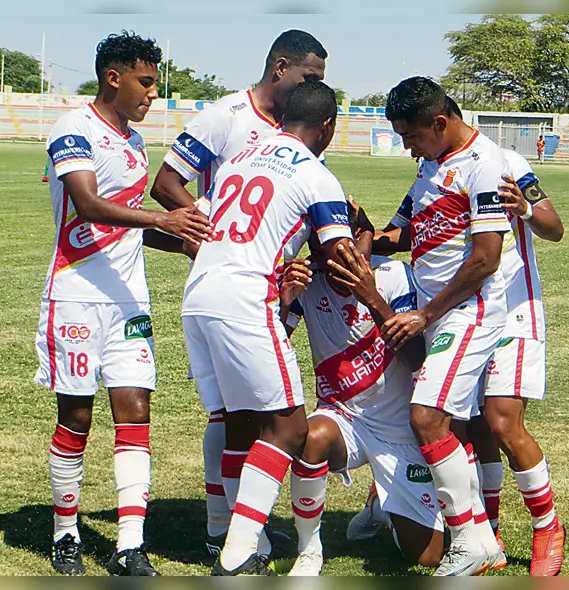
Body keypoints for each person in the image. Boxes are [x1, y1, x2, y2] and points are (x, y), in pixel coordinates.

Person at [35, 31, 211, 577]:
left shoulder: (135, 144)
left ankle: (129, 546)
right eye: (146, 81)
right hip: (76, 298)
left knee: (135, 414)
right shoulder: (74, 128)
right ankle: (66, 532)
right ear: (113, 77)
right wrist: (165, 218)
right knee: (78, 417)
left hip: (129, 300)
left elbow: (130, 230)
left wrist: (184, 243)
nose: (152, 94)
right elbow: (87, 205)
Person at [148, 30, 329, 557]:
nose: (315, 85)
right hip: (235, 286)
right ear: (281, 67)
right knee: (233, 415)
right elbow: (165, 183)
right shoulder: (226, 115)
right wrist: (216, 240)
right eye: (310, 76)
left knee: (254, 414)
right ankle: (220, 526)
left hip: (266, 284)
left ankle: (235, 529)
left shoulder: (291, 130)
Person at [181, 80, 353, 576]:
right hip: (244, 299)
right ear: (327, 126)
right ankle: (237, 555)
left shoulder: (240, 156)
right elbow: (338, 256)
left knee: (240, 422)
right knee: (288, 427)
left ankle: (237, 534)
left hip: (199, 294)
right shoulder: (317, 174)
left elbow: (202, 222)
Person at [377, 76, 522, 576]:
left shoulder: (485, 167)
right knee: (444, 425)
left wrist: (427, 312)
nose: (407, 146)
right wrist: (357, 233)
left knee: (427, 418)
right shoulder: (431, 168)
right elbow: (405, 234)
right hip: (439, 311)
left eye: (412, 136)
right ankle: (484, 541)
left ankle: (468, 542)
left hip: (468, 312)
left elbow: (485, 259)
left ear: (440, 122)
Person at [278, 217, 444, 576]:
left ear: (360, 239)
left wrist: (371, 298)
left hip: (400, 432)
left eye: (338, 250)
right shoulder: (308, 283)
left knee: (427, 556)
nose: (328, 262)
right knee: (312, 437)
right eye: (319, 251)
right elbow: (273, 346)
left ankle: (379, 506)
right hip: (344, 418)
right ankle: (309, 551)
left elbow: (416, 357)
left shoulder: (396, 276)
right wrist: (285, 304)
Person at [470, 149, 566, 576]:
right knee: (474, 424)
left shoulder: (508, 163)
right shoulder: (432, 168)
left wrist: (525, 207)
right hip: (464, 312)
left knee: (503, 422)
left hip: (514, 311)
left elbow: (554, 228)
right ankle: (489, 529)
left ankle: (547, 527)